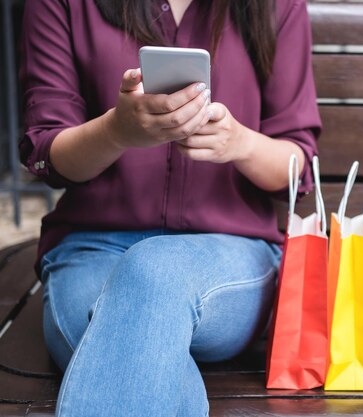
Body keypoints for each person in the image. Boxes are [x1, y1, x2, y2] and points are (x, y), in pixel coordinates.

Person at [19, 0, 321, 415]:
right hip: (92, 251)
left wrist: (240, 143)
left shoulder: (276, 6)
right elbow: (47, 154)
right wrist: (116, 131)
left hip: (230, 257)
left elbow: (297, 165)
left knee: (155, 268)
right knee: (145, 365)